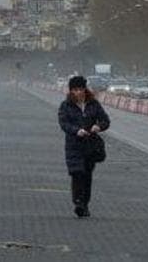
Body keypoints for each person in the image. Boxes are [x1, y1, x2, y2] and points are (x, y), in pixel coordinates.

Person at [58, 75, 111, 218]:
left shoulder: (93, 104)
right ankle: (78, 202)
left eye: (81, 89)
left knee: (87, 176)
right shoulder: (65, 105)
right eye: (75, 89)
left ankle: (85, 204)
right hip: (74, 145)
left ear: (85, 89)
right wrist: (76, 130)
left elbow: (105, 120)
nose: (78, 92)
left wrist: (98, 126)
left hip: (90, 145)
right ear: (71, 91)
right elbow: (64, 123)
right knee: (77, 173)